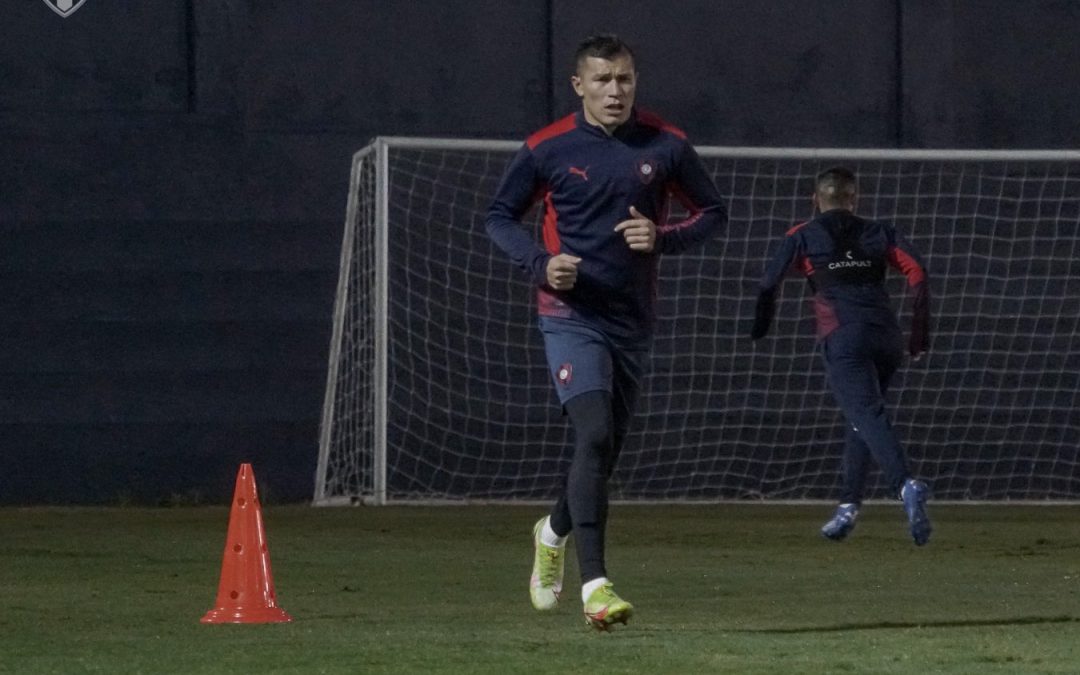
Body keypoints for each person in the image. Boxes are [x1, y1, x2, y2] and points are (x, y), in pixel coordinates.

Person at [485, 34, 727, 629]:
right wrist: (542, 265)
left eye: (624, 80)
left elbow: (714, 212)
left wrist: (663, 238)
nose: (614, 91)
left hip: (631, 321)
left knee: (604, 452)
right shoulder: (547, 148)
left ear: (634, 82)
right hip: (570, 316)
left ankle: (553, 530)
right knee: (592, 434)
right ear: (579, 86)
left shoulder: (665, 145)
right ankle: (596, 584)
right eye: (602, 80)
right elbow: (498, 216)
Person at [750, 166, 932, 545]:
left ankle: (906, 484)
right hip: (886, 337)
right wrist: (918, 335)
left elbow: (768, 282)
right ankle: (848, 506)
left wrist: (761, 326)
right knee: (860, 419)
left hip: (844, 337)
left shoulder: (802, 235)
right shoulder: (880, 232)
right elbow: (917, 273)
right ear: (854, 199)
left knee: (867, 413)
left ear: (815, 201)